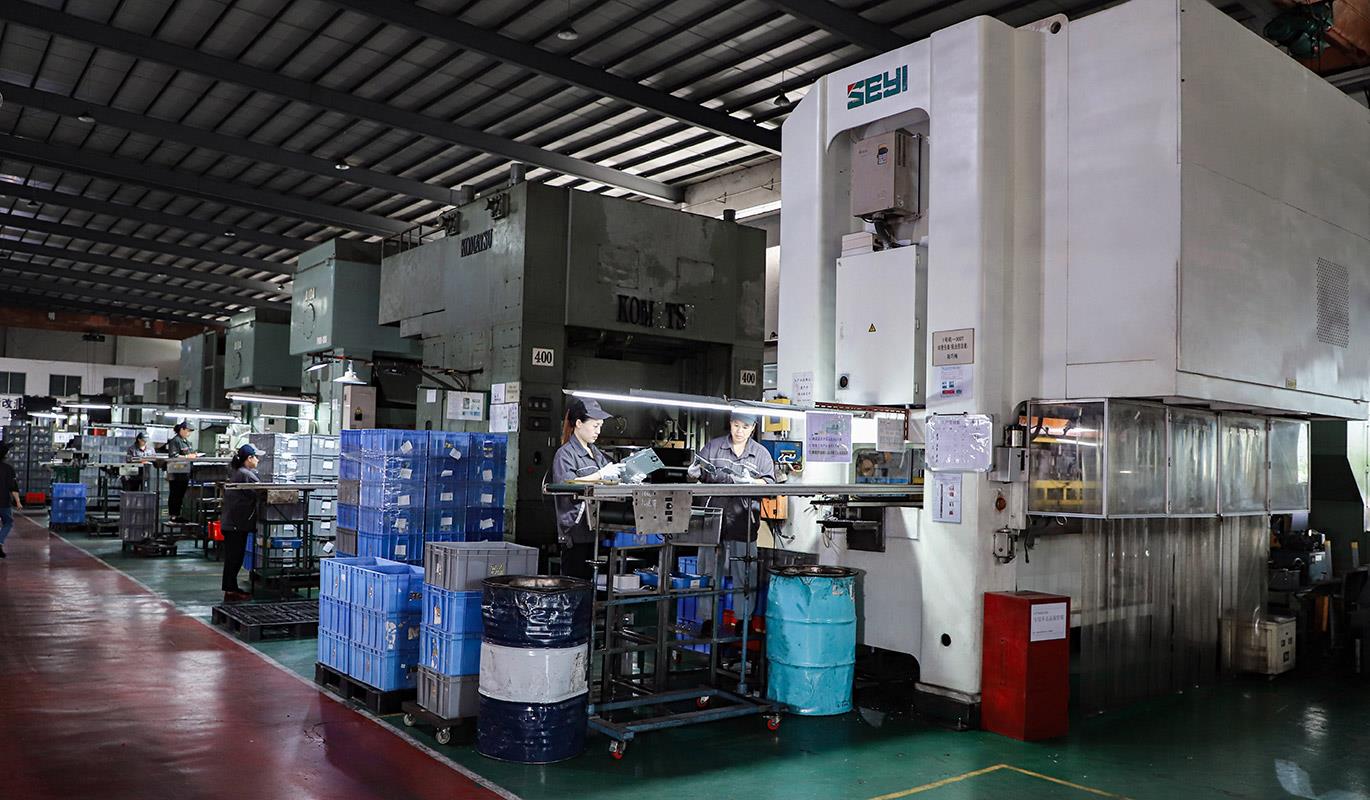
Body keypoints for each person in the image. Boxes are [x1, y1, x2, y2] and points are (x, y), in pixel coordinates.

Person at [689, 410, 776, 618]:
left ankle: (742, 620)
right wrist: (693, 474)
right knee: (708, 571)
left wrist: (752, 482)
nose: (739, 431)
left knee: (745, 572)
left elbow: (770, 485)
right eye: (736, 425)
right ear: (730, 423)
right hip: (712, 518)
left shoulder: (761, 454)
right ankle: (707, 619)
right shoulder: (713, 447)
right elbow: (698, 473)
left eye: (745, 427)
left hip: (744, 520)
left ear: (753, 428)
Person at [550, 398, 623, 579]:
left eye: (600, 426)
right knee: (575, 584)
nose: (598, 431)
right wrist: (600, 475)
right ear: (578, 423)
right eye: (595, 426)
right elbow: (566, 483)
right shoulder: (565, 454)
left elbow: (609, 476)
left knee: (593, 585)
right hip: (576, 531)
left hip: (596, 529)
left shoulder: (596, 453)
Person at [220, 443, 261, 601]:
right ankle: (231, 591)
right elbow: (260, 492)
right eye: (255, 457)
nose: (257, 460)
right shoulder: (245, 474)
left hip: (233, 522)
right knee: (234, 559)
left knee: (233, 558)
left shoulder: (238, 472)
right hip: (236, 524)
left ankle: (231, 589)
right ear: (249, 458)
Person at [165, 421, 201, 522]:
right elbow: (173, 456)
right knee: (175, 494)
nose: (189, 433)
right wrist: (187, 456)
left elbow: (190, 453)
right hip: (176, 473)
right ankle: (173, 516)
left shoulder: (187, 442)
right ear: (182, 429)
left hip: (185, 473)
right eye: (188, 431)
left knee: (180, 495)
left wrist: (194, 455)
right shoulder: (175, 441)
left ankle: (178, 514)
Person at [0, 442, 21, 559]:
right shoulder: (8, 469)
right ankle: (0, 541)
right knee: (8, 522)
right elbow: (13, 487)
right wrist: (18, 501)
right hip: (4, 502)